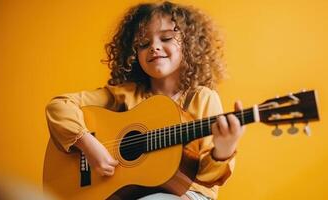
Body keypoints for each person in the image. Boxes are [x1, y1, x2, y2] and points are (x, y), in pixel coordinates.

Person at [45, 1, 245, 199]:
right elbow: (59, 106)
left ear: (190, 45)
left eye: (166, 38)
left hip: (188, 193)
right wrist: (87, 144)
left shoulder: (202, 98)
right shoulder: (125, 94)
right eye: (143, 43)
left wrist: (224, 148)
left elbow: (206, 177)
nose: (154, 47)